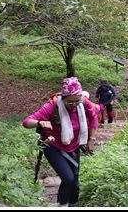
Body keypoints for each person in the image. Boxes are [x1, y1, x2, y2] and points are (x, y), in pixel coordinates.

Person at [23, 77, 98, 207]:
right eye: (70, 102)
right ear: (63, 98)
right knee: (68, 178)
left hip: (74, 146)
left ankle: (73, 205)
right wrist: (40, 122)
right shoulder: (52, 106)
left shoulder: (83, 102)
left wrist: (91, 140)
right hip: (53, 146)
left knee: (75, 184)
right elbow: (26, 122)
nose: (74, 105)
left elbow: (93, 117)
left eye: (77, 101)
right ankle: (62, 205)